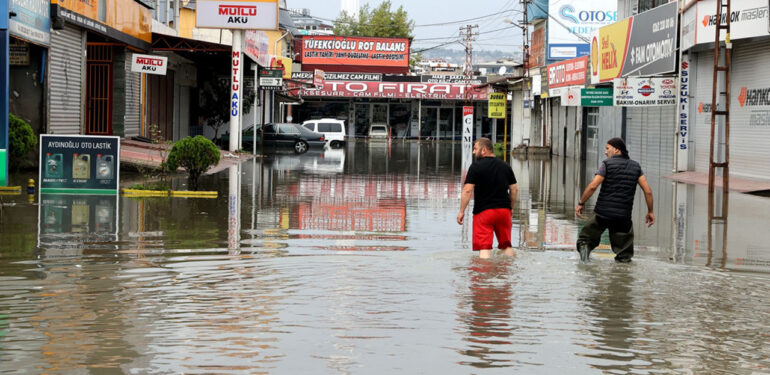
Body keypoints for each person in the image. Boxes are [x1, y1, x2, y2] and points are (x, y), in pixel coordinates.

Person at [575, 137, 655, 262]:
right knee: (624, 254)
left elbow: (593, 186)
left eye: (607, 148)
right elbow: (648, 191)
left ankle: (584, 263)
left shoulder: (606, 164)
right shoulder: (636, 167)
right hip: (623, 218)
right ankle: (622, 277)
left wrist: (581, 203)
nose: (605, 152)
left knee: (585, 240)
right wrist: (650, 212)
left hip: (602, 214)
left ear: (617, 150)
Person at [457, 138, 518, 259]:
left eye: (475, 149)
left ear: (484, 150)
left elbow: (467, 190)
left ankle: (483, 274)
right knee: (506, 245)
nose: (473, 152)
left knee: (484, 247)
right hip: (504, 212)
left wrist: (461, 211)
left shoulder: (475, 167)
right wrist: (510, 207)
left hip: (484, 213)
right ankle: (509, 269)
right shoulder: (505, 166)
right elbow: (514, 189)